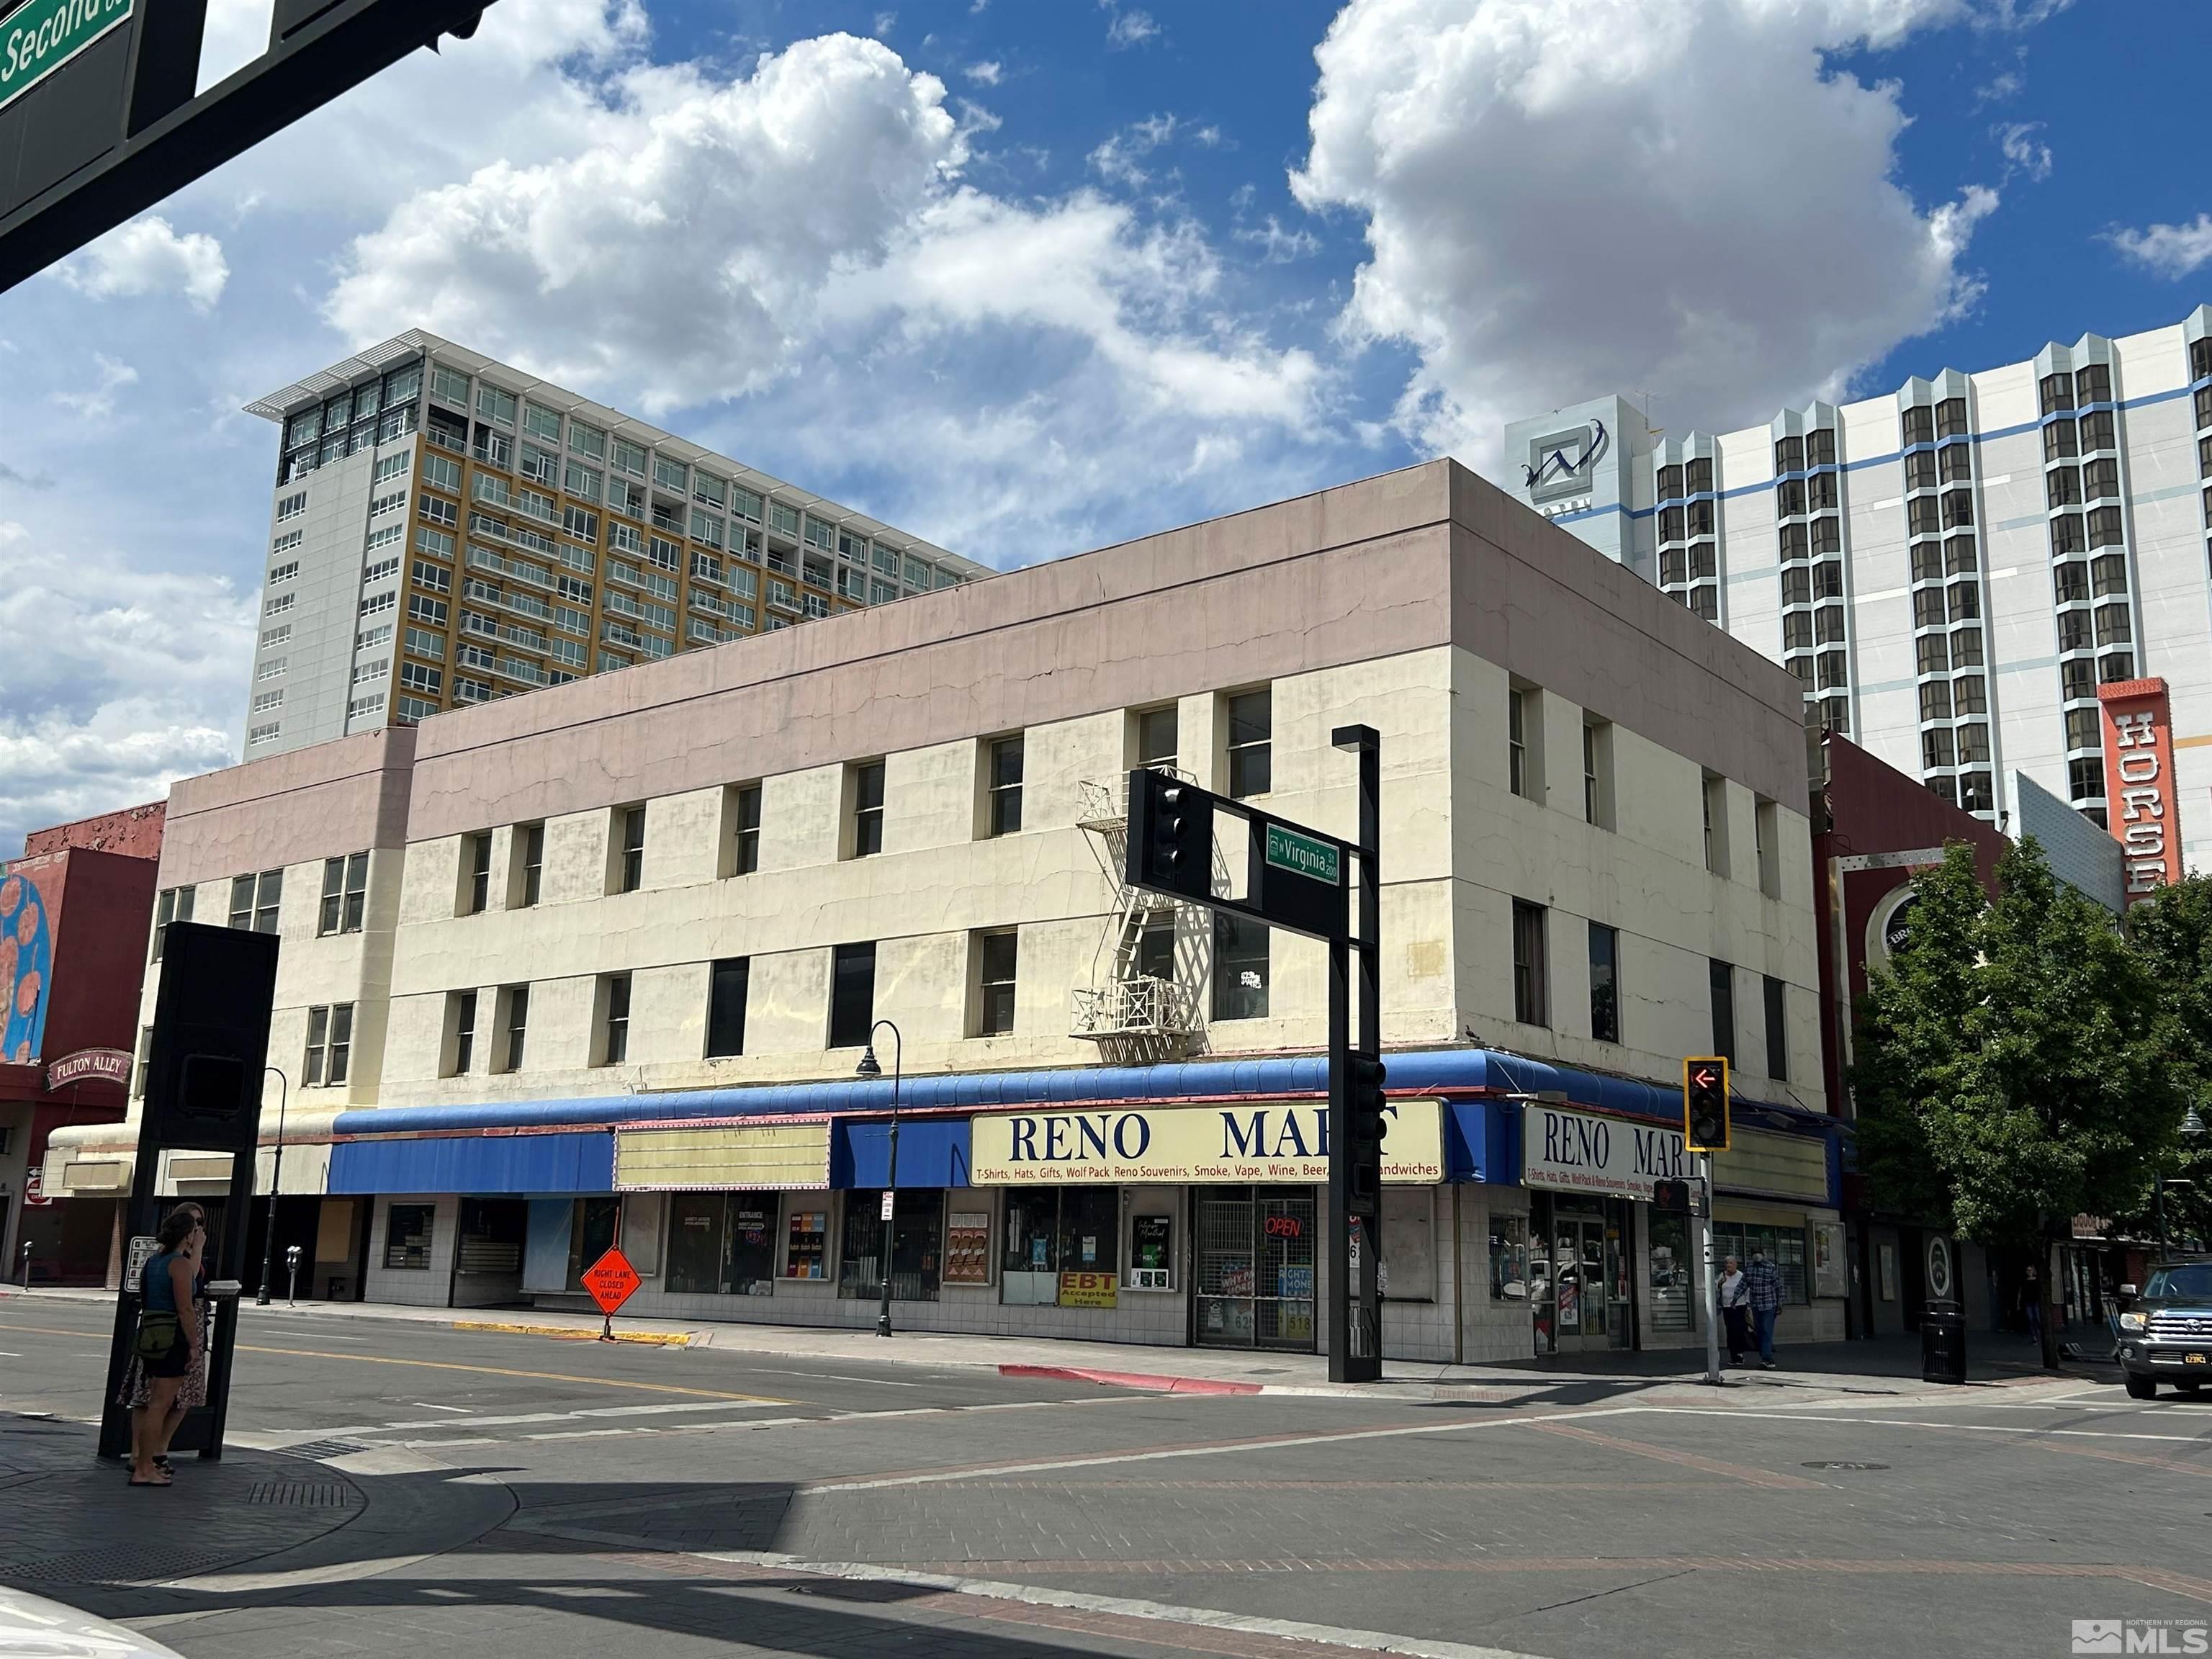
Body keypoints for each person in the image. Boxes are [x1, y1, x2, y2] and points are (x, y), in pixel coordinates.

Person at [129, 1205, 208, 1487]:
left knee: (153, 1403)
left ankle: (144, 1463)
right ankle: (144, 1469)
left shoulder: (153, 1262)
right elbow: (186, 1308)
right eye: (193, 1230)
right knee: (160, 1405)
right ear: (186, 1236)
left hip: (151, 1336)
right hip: (172, 1339)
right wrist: (194, 1345)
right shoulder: (179, 1264)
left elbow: (146, 1296)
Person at [1745, 1247, 1784, 1370]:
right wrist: (1735, 1298)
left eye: (1759, 1254)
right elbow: (1743, 1283)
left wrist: (1780, 1303)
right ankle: (1764, 1356)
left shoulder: (1770, 1267)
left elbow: (1778, 1285)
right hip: (1756, 1305)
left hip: (1769, 1304)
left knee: (1767, 1331)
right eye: (1754, 1254)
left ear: (1763, 1255)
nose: (1757, 1256)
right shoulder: (1750, 1268)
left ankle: (1767, 1358)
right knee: (1760, 1331)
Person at [1717, 1254, 1751, 1365]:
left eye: (1731, 1263)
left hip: (1739, 1306)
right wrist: (1720, 1283)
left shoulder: (1741, 1276)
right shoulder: (1722, 1276)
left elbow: (1747, 1290)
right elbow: (1717, 1289)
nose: (1728, 1265)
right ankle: (1733, 1355)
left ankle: (1740, 1354)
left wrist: (1748, 1305)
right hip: (1726, 1306)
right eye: (1727, 1263)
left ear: (1736, 1264)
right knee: (1730, 1331)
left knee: (1738, 1330)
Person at [2021, 1263, 2044, 1349]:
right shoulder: (2025, 1281)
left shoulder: (2037, 1281)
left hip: (2036, 1302)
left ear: (2033, 1271)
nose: (2029, 1272)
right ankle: (2034, 1337)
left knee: (2038, 1318)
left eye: (2030, 1270)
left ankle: (2040, 1334)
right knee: (2030, 1319)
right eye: (2027, 1270)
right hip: (2028, 1302)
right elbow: (2021, 1292)